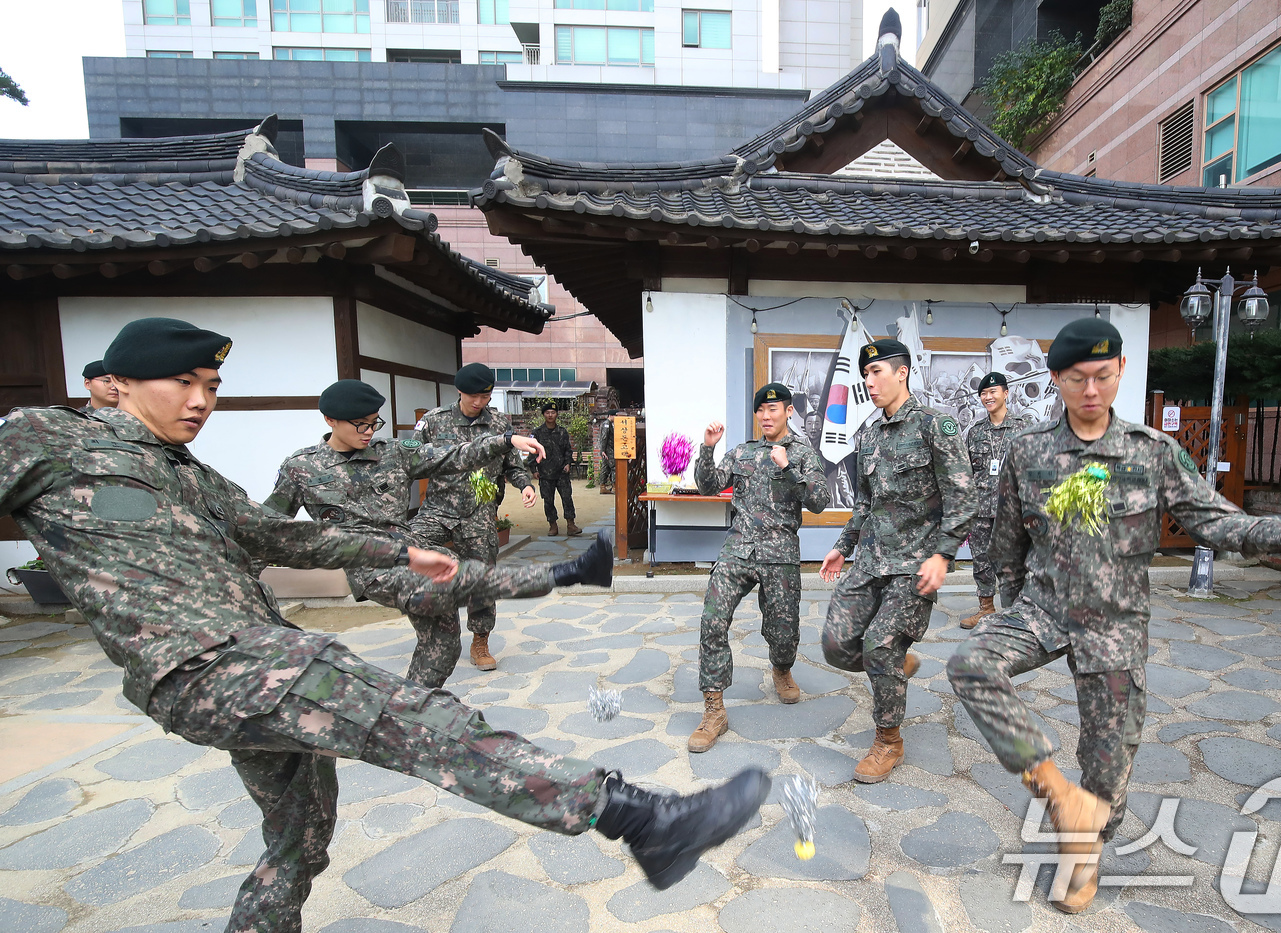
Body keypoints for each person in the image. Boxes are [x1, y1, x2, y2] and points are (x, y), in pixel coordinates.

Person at [0, 317, 771, 933]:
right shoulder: (50, 439)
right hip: (205, 666)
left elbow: (285, 538)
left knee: (302, 838)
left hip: (253, 655)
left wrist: (400, 545)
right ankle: (636, 816)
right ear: (117, 382)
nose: (201, 399)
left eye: (211, 385)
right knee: (415, 713)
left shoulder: (193, 474)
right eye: (183, 382)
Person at [947, 318, 1281, 914]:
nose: (1091, 391)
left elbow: (1215, 520)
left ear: (1121, 373)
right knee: (971, 663)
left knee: (1108, 764)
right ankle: (1058, 794)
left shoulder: (1152, 453)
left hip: (1115, 625)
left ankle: (1083, 848)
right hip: (1045, 607)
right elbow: (1006, 537)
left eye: (1103, 377)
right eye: (1077, 379)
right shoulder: (1026, 451)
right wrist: (1007, 600)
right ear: (1056, 380)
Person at [262, 379, 599, 688]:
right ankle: (568, 573)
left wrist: (506, 439)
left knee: (444, 643)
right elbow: (265, 527)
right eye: (360, 424)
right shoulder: (302, 468)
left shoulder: (391, 453)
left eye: (374, 422)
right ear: (330, 420)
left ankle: (412, 707)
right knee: (461, 579)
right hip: (373, 568)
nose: (369, 431)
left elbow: (453, 455)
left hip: (413, 550)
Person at [819, 338, 975, 783]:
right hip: (870, 560)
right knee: (835, 645)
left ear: (901, 373)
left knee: (880, 643)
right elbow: (864, 506)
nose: (869, 382)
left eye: (877, 373)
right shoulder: (868, 434)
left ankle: (889, 741)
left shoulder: (934, 425)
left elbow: (963, 498)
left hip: (914, 564)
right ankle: (895, 668)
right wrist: (843, 546)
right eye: (865, 375)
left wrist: (943, 555)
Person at [688, 383, 831, 752]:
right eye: (760, 411)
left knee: (783, 633)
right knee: (713, 619)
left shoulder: (801, 453)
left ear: (788, 412)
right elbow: (707, 486)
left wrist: (788, 471)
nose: (766, 416)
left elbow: (819, 501)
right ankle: (714, 709)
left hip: (779, 552)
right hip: (739, 548)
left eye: (774, 409)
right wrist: (707, 448)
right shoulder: (742, 452)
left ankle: (782, 669)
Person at [411, 363, 537, 672]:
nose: (479, 403)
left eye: (486, 396)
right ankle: (432, 627)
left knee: (482, 574)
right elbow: (411, 460)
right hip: (438, 509)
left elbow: (512, 464)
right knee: (408, 551)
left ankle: (480, 640)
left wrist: (526, 485)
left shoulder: (498, 422)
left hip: (479, 510)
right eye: (473, 397)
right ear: (459, 392)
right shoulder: (433, 422)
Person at [959, 371, 1034, 629]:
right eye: (983, 394)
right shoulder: (975, 432)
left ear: (1006, 393)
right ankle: (986, 609)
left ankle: (1015, 612)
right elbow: (966, 472)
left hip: (1011, 511)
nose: (988, 397)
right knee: (981, 560)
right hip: (981, 510)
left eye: (993, 392)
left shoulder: (1023, 428)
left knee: (1013, 561)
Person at [533, 401, 581, 537]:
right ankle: (552, 525)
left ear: (557, 414)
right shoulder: (537, 433)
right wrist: (534, 469)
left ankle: (571, 524)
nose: (550, 415)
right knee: (548, 501)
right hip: (545, 473)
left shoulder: (562, 432)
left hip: (561, 472)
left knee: (567, 498)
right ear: (543, 415)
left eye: (553, 413)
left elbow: (568, 450)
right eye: (547, 413)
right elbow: (533, 451)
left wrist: (567, 463)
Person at [597, 410, 617, 493]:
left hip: (607, 449)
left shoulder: (608, 424)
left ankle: (603, 487)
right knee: (614, 467)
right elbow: (604, 438)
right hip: (608, 450)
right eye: (615, 416)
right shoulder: (607, 424)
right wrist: (603, 450)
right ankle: (614, 486)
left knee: (605, 468)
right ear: (611, 416)